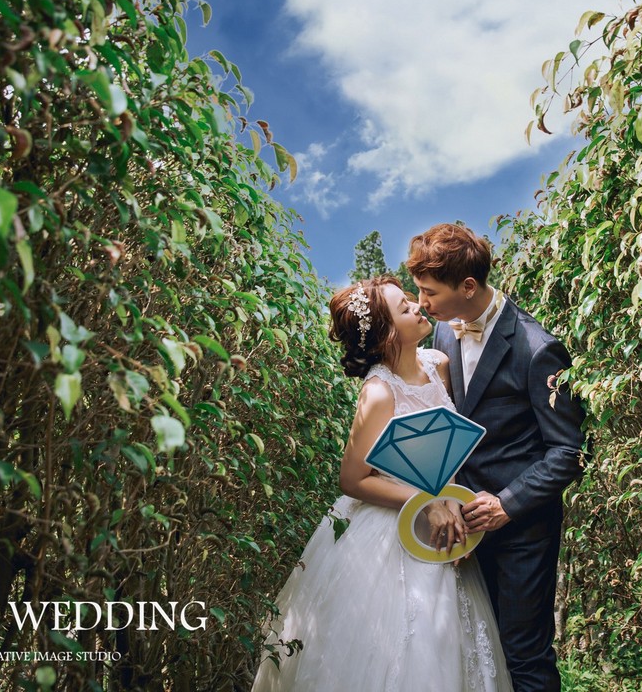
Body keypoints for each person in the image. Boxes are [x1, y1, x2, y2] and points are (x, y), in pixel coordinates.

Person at [251, 276, 513, 692]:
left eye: (411, 299)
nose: (416, 306)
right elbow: (352, 479)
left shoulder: (438, 364)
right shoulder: (377, 393)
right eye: (403, 307)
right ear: (387, 333)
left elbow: (446, 449)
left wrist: (454, 510)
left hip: (444, 521)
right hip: (389, 528)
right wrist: (425, 501)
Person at [407, 224, 586, 692]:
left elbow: (567, 452)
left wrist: (507, 503)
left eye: (429, 292)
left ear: (468, 287)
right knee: (470, 649)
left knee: (524, 656)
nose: (422, 303)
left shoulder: (539, 348)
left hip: (522, 530)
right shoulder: (443, 335)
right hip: (460, 528)